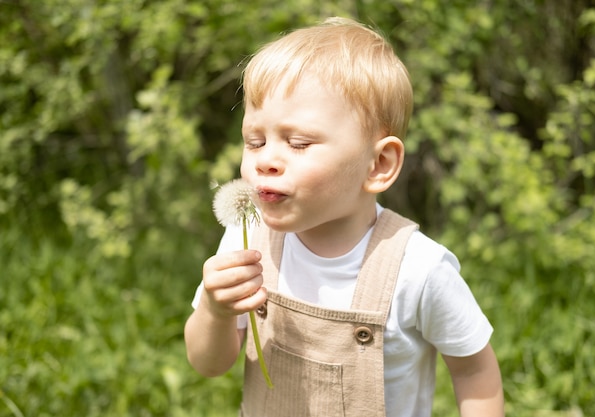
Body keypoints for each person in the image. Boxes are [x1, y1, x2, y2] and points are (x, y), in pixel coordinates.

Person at [184, 16, 504, 417]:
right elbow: (208, 365)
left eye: (298, 143)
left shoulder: (418, 270)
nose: (266, 160)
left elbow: (474, 370)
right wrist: (215, 311)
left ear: (378, 165)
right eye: (255, 141)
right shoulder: (246, 236)